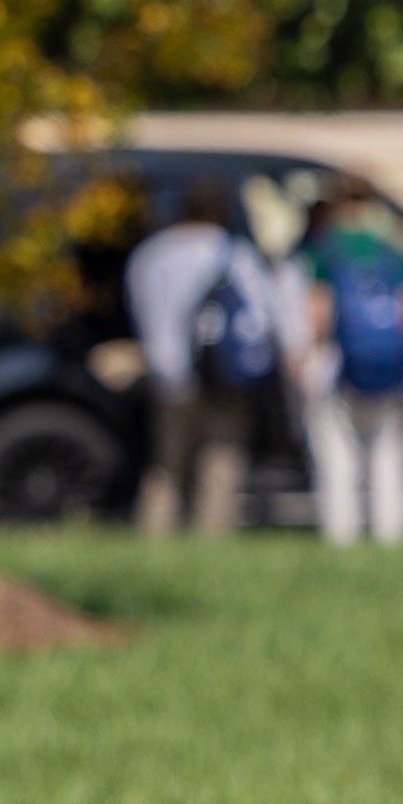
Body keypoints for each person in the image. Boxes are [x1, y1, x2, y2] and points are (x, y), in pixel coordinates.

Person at [124, 175, 279, 536]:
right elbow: (263, 315)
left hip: (167, 374)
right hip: (222, 374)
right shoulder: (232, 253)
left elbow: (140, 311)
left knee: (166, 466)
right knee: (221, 462)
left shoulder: (151, 254)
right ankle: (212, 541)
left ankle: (154, 540)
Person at [305, 173, 403, 547]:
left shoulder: (325, 248)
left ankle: (342, 534)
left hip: (340, 362)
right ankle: (392, 534)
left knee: (338, 451)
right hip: (390, 363)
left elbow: (319, 310)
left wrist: (312, 351)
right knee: (390, 451)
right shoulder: (394, 249)